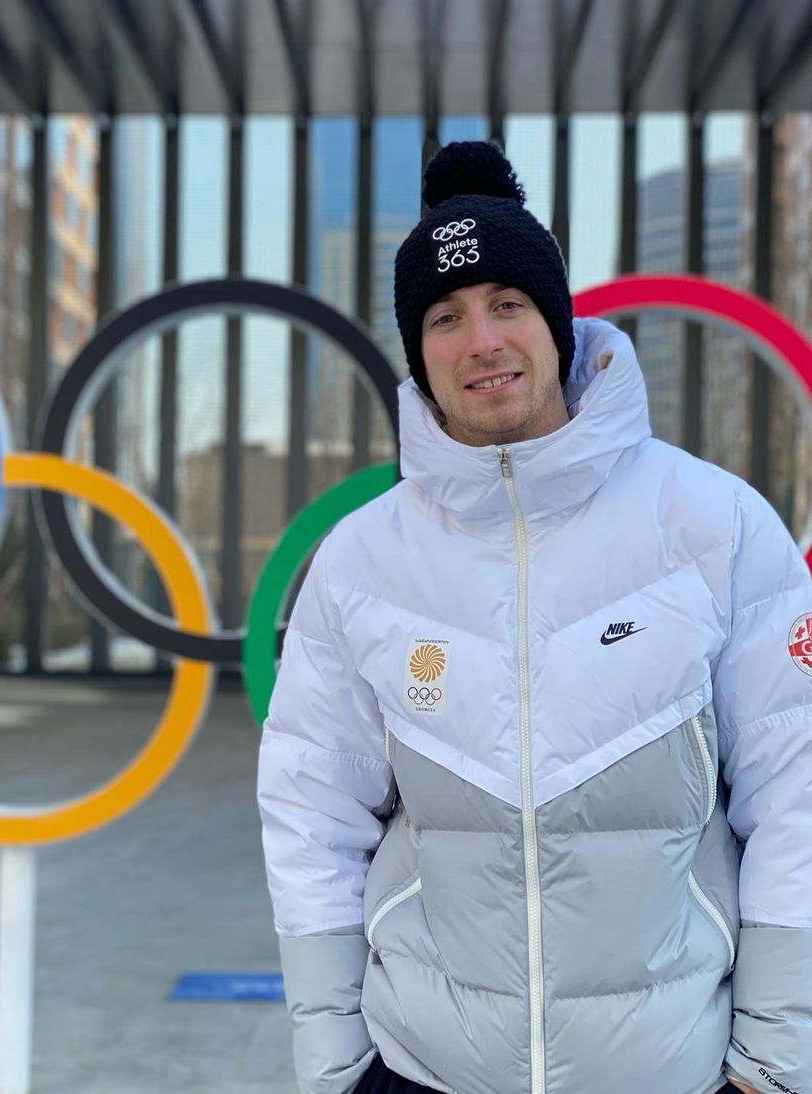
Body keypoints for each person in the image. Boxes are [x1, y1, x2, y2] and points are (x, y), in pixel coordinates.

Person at [256, 140, 812, 1094]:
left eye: (508, 304)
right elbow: (311, 811)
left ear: (556, 321)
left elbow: (797, 796)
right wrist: (334, 1066)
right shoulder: (360, 559)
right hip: (424, 1071)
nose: (482, 341)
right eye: (445, 317)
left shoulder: (713, 525)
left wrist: (776, 1066)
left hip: (673, 1072)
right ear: (418, 352)